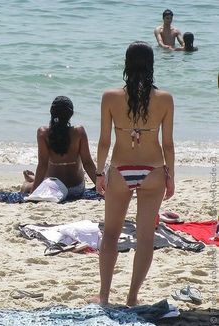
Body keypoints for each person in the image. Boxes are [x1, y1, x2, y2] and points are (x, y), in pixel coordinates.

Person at [94, 41, 175, 306]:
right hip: (153, 171)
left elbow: (104, 141)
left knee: (110, 234)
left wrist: (98, 173)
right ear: (152, 65)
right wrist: (170, 176)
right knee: (145, 237)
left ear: (126, 65)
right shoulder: (164, 99)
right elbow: (168, 144)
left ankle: (104, 295)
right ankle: (132, 297)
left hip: (120, 170)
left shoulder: (109, 97)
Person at [21, 96, 96, 198]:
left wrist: (33, 192)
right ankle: (33, 178)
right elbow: (87, 163)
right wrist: (101, 187)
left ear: (51, 112)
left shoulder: (43, 133)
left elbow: (42, 165)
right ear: (71, 114)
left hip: (53, 189)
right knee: (44, 180)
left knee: (25, 186)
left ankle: (31, 180)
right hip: (76, 189)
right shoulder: (79, 132)